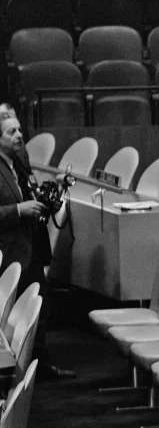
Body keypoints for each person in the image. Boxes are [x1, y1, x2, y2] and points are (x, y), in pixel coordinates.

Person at [0, 110, 74, 379]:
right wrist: (19, 210)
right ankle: (15, 369)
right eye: (11, 132)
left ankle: (39, 366)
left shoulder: (18, 159)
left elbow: (28, 189)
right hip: (9, 252)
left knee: (39, 307)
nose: (19, 135)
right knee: (16, 316)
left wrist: (51, 188)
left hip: (33, 245)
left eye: (19, 130)